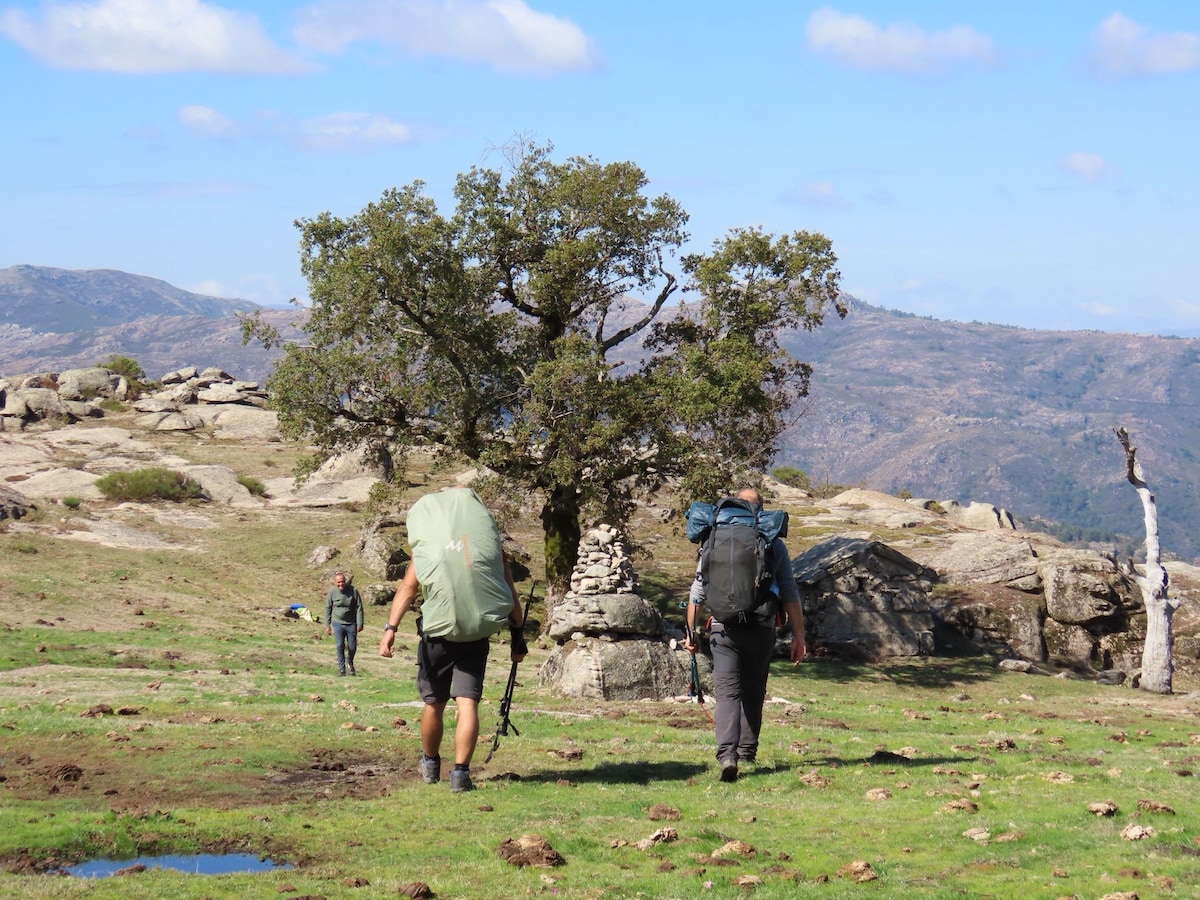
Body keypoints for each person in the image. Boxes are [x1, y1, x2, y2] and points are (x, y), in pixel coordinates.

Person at [379, 487, 527, 793]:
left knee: (434, 704)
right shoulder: (491, 551)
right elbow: (510, 595)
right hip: (476, 635)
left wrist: (390, 628)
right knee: (468, 703)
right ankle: (460, 775)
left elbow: (407, 589)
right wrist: (517, 638)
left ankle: (430, 764)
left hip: (437, 636)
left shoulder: (429, 548)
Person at [684, 487, 806, 783]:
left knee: (727, 694)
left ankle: (727, 755)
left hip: (722, 627)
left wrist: (691, 632)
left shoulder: (714, 536)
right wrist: (799, 636)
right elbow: (789, 591)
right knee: (753, 692)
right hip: (761, 627)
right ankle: (747, 752)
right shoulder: (772, 540)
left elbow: (698, 592)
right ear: (761, 511)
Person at [325, 571, 364, 676]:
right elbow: (328, 608)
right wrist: (327, 625)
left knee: (352, 647)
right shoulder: (332, 592)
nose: (340, 584)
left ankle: (350, 661)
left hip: (351, 623)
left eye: (342, 582)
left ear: (345, 581)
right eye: (338, 582)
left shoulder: (353, 591)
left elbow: (359, 607)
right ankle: (342, 670)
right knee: (339, 645)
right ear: (335, 582)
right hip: (337, 623)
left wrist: (360, 623)